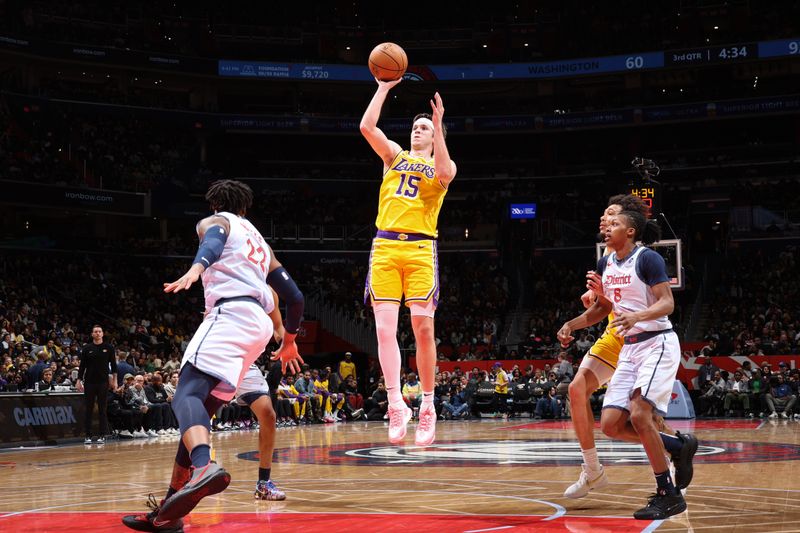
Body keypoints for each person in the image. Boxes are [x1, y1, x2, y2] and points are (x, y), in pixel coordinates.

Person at [122, 179, 304, 532]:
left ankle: (204, 466)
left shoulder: (215, 221)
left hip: (230, 314)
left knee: (184, 395)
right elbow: (295, 297)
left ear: (213, 205)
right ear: (245, 208)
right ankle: (169, 513)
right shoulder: (261, 244)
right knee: (198, 415)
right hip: (258, 330)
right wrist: (291, 340)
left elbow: (214, 240)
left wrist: (196, 267)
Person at [557, 210, 697, 520]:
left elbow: (667, 303)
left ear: (631, 231)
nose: (607, 228)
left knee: (639, 414)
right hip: (629, 349)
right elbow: (602, 309)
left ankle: (667, 493)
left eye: (615, 224)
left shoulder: (648, 259)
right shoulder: (606, 263)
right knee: (610, 425)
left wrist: (636, 316)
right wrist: (572, 323)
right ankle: (677, 445)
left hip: (655, 342)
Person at [359, 76, 457, 446]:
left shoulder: (441, 165)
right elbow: (367, 127)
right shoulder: (394, 156)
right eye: (415, 127)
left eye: (425, 128)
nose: (418, 131)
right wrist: (383, 88)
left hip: (420, 250)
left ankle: (428, 406)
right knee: (385, 331)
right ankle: (395, 401)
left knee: (423, 329)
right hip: (384, 247)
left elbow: (446, 173)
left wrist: (440, 123)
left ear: (434, 137)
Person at [77, 325, 117, 445]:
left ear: (103, 334)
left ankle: (102, 435)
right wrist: (79, 380)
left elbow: (114, 366)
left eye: (100, 331)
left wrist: (114, 381)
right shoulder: (87, 348)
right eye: (95, 332)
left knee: (102, 410)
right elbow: (82, 366)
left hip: (103, 383)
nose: (98, 333)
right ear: (92, 334)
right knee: (88, 409)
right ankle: (88, 435)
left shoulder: (109, 348)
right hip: (89, 382)